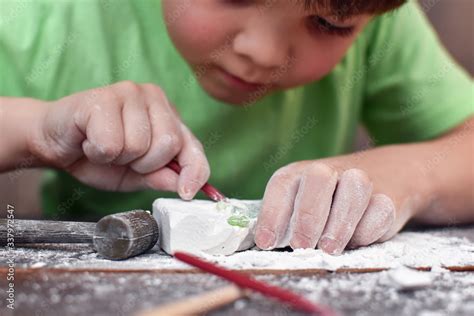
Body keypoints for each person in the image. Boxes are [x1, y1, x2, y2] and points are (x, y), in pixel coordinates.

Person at [1, 0, 472, 255]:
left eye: (328, 24)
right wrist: (36, 130)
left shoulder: (379, 23)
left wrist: (411, 176)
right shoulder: (45, 15)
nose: (262, 52)